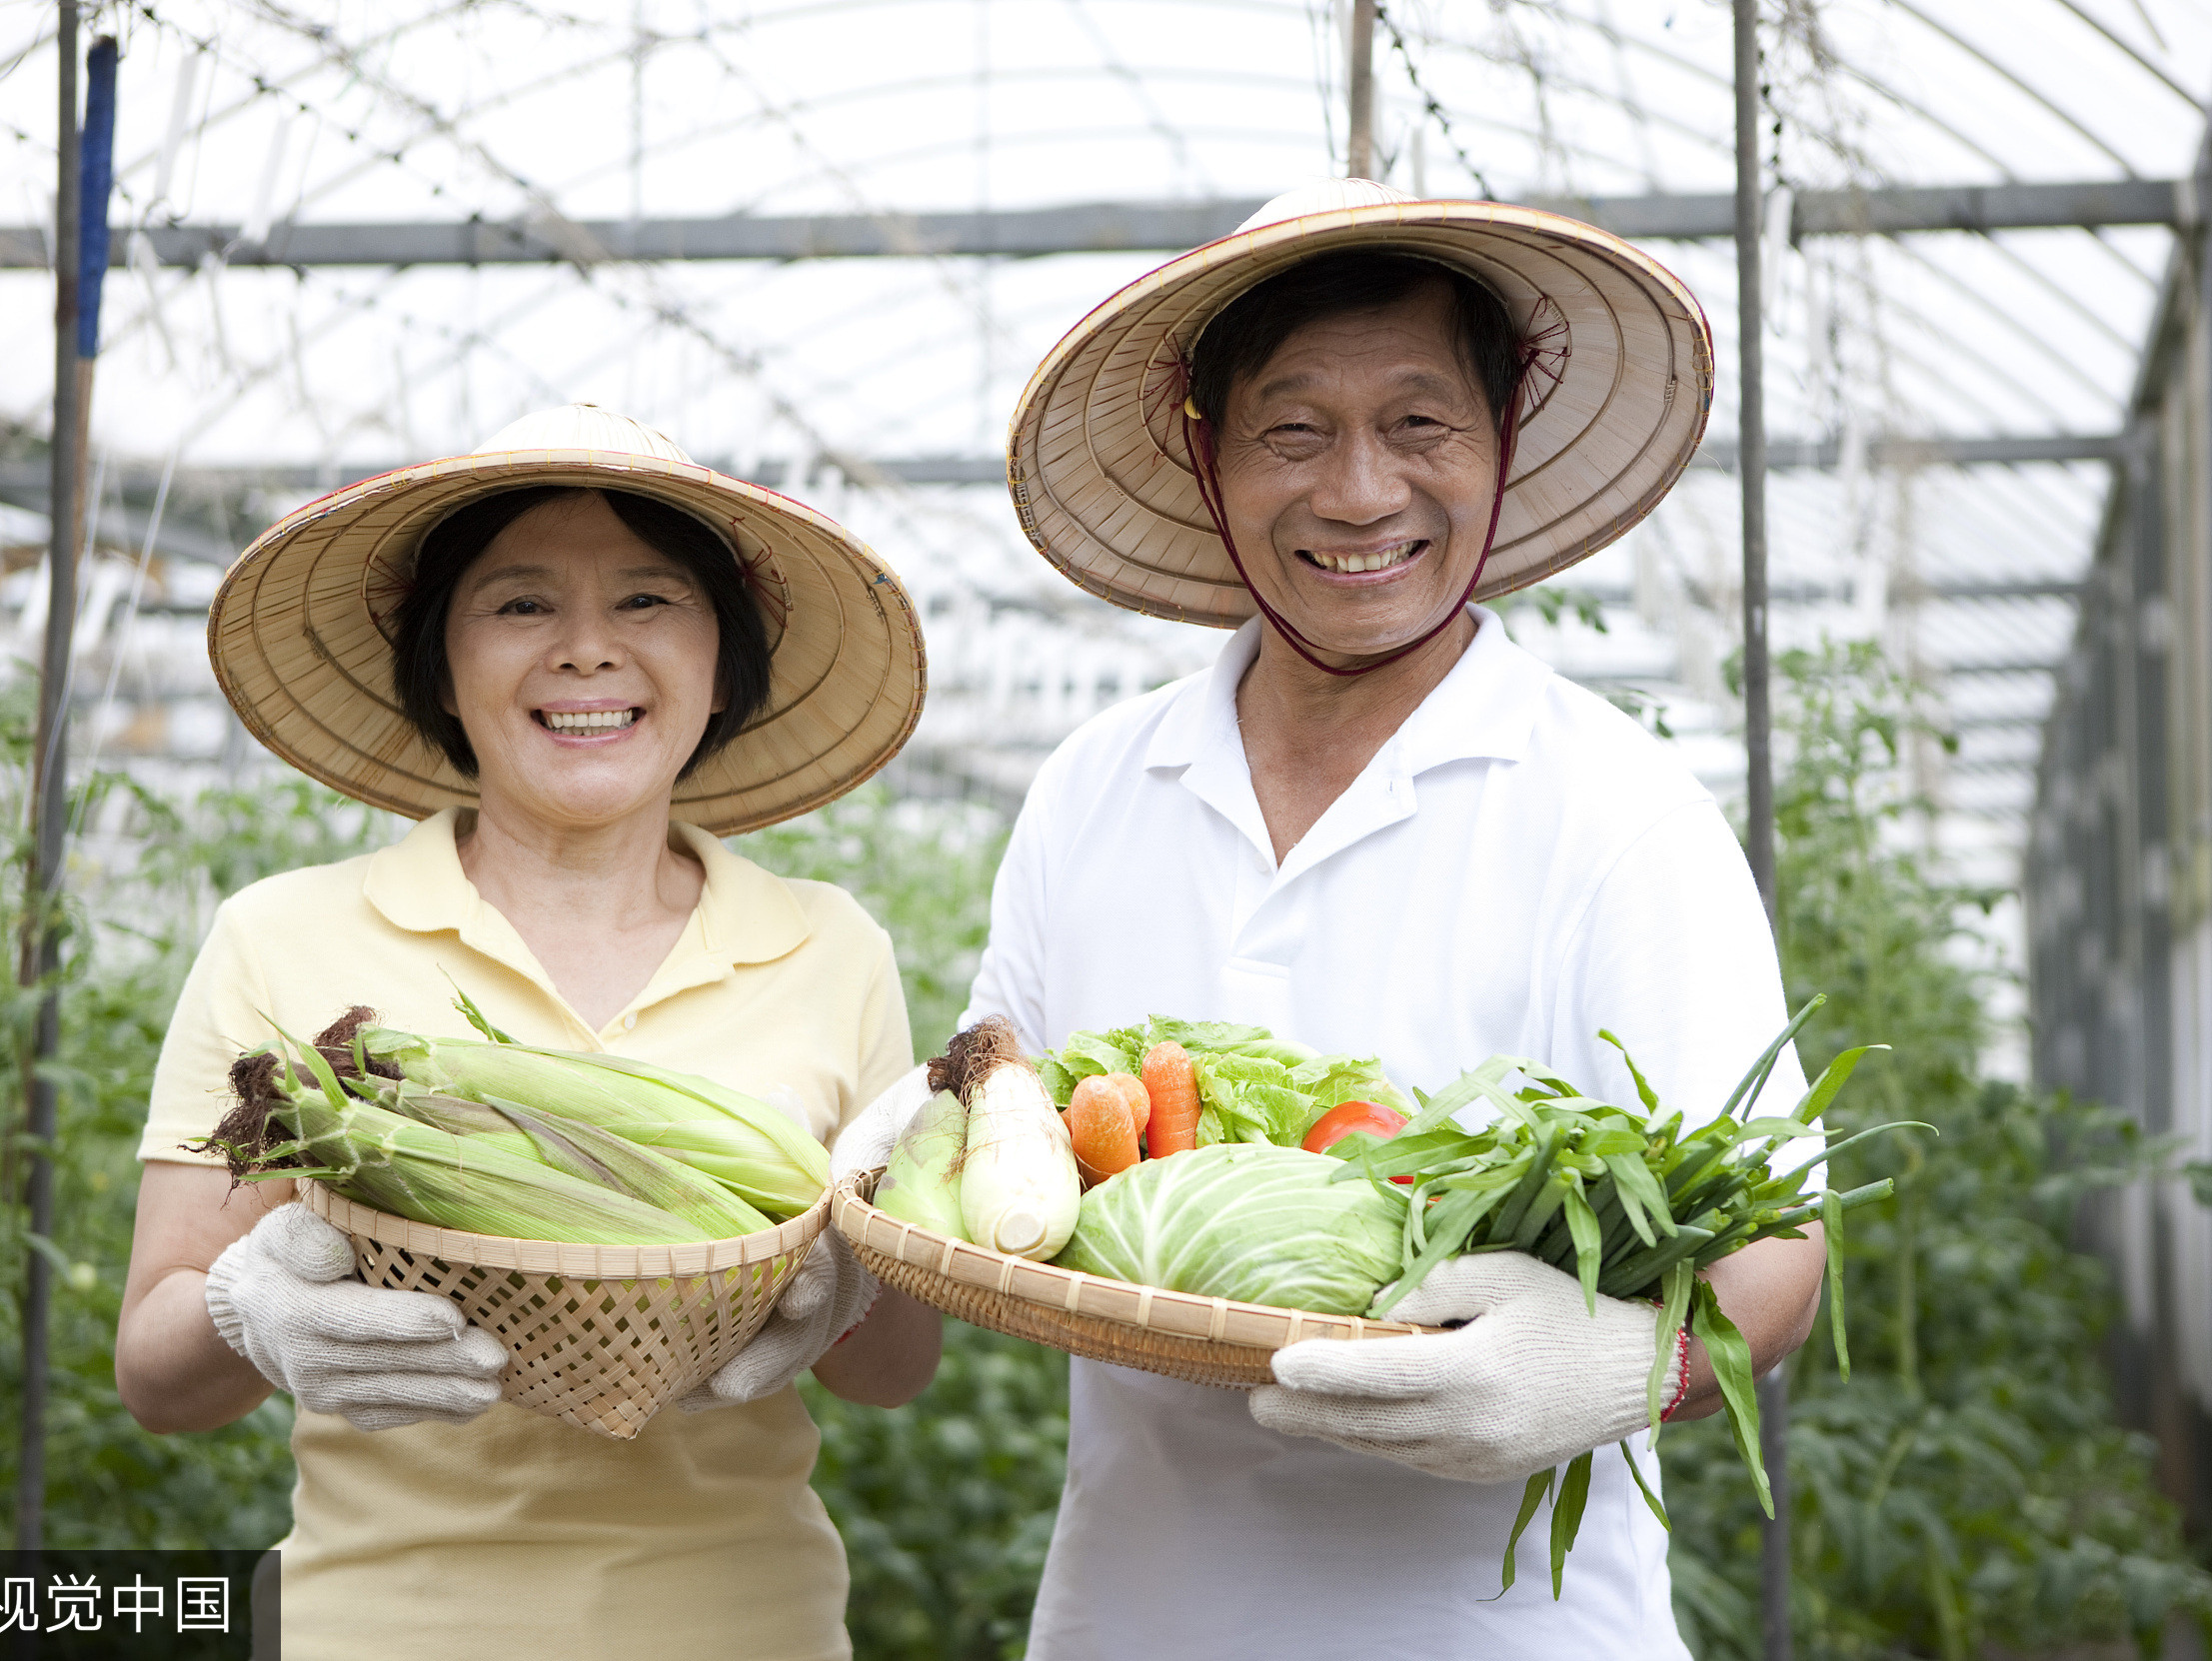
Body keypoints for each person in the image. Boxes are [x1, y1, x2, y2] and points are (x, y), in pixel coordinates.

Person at [843, 179, 1823, 1656]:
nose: (1360, 492)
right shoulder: (1097, 787)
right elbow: (1005, 1142)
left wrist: (1624, 1368)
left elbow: (1777, 1252)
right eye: (1293, 430)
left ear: (1503, 444)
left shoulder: (1616, 808)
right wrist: (866, 1180)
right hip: (1134, 1618)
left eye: (1421, 425)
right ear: (1208, 453)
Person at [116, 404, 943, 1661]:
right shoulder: (281, 937)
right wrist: (249, 1310)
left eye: (651, 601)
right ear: (440, 665)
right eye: (518, 605)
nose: (586, 651)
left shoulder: (832, 948)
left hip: (741, 1628)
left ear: (725, 664)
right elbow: (155, 1376)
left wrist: (858, 1271)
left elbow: (891, 1376)